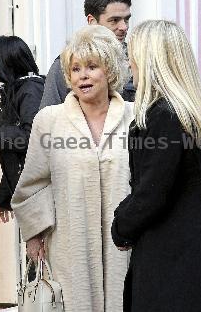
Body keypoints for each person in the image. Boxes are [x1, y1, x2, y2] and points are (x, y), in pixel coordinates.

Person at [111, 20, 201, 312]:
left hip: (171, 261)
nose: (129, 62)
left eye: (133, 54)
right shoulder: (193, 111)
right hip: (197, 252)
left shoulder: (164, 116)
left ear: (150, 60)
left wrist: (121, 227)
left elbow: (153, 193)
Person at [12, 25, 133, 312]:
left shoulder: (135, 116)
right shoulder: (49, 120)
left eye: (92, 66)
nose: (83, 75)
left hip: (126, 245)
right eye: (76, 68)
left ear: (110, 70)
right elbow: (33, 183)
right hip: (69, 242)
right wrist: (34, 233)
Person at [39, 0, 135, 107]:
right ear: (92, 21)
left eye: (126, 19)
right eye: (114, 20)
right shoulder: (66, 63)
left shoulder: (136, 59)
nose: (124, 27)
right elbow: (48, 119)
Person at [0, 35, 44, 223]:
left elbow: (29, 139)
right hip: (29, 194)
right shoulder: (16, 90)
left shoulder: (30, 90)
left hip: (38, 196)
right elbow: (13, 157)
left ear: (2, 63)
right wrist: (4, 197)